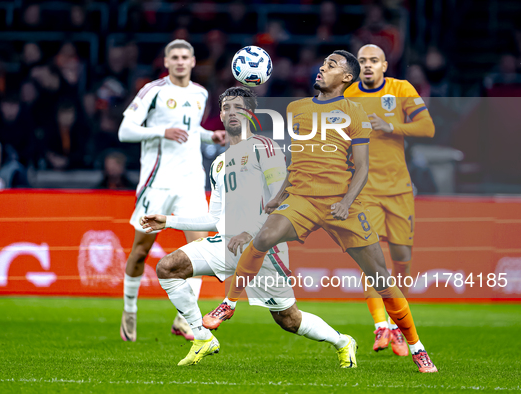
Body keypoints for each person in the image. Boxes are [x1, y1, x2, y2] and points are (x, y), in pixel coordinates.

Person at [204, 50, 438, 373]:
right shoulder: (297, 109)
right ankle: (229, 304)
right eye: (323, 63)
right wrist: (279, 196)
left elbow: (362, 168)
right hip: (302, 198)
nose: (322, 68)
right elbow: (295, 163)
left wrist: (345, 202)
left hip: (343, 201)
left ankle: (417, 347)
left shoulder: (354, 113)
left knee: (381, 278)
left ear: (346, 78)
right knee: (262, 238)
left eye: (331, 65)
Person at [141, 87, 357, 367]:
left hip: (266, 248)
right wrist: (169, 221)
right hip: (228, 243)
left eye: (239, 107)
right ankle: (202, 337)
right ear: (220, 115)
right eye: (227, 107)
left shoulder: (264, 148)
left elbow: (282, 201)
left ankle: (343, 342)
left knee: (289, 320)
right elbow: (214, 219)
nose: (232, 112)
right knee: (168, 267)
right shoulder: (218, 164)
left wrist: (250, 230)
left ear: (250, 113)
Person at [117, 39, 226, 342]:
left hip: (191, 180)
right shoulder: (154, 91)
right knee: (140, 251)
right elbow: (124, 131)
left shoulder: (200, 94)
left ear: (193, 62)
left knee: (202, 249)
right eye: (174, 57)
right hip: (157, 182)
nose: (180, 62)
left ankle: (184, 318)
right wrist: (160, 131)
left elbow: (190, 131)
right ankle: (129, 308)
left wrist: (210, 137)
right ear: (166, 62)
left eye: (185, 57)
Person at [344, 44, 435, 356]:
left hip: (398, 189)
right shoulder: (349, 95)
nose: (368, 66)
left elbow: (427, 127)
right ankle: (381, 326)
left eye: (374, 61)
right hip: (365, 189)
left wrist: (390, 126)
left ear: (384, 65)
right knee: (373, 259)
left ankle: (397, 324)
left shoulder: (401, 88)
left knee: (400, 258)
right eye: (363, 61)